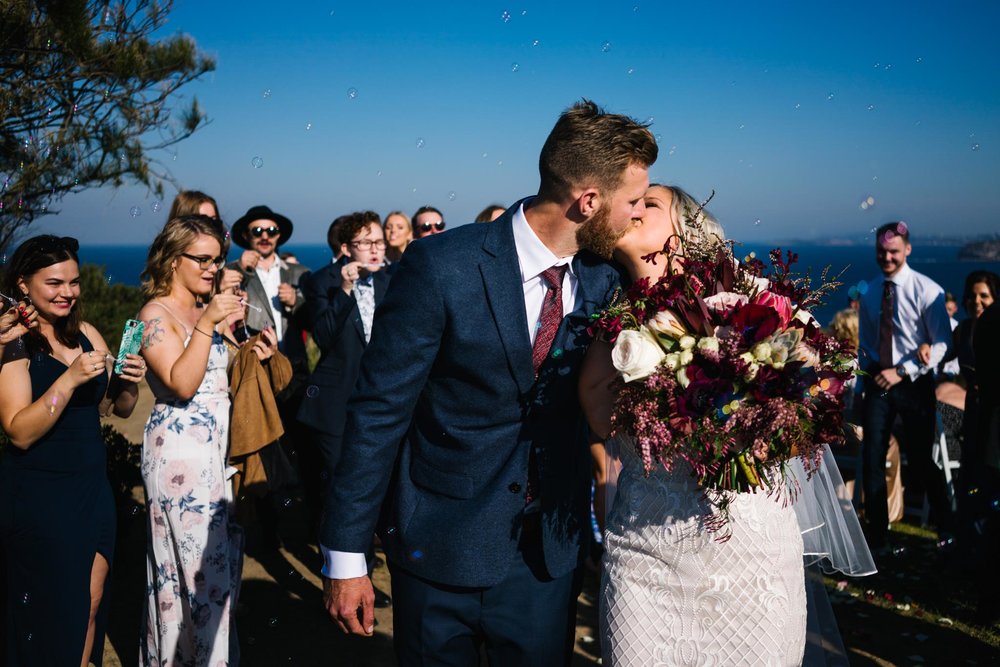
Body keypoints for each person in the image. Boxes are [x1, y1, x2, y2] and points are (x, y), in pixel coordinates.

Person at [322, 99, 655, 665]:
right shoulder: (440, 266)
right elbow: (379, 412)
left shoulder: (605, 279)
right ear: (589, 201)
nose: (638, 214)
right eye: (633, 201)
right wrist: (346, 555)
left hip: (545, 558)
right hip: (438, 545)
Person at [580, 185, 811, 665]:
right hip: (644, 555)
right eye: (631, 200)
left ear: (686, 230)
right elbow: (599, 417)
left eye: (651, 203)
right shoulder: (606, 315)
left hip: (748, 555)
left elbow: (800, 410)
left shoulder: (748, 300)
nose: (633, 208)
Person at [137, 215, 277, 665]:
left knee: (219, 574)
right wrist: (208, 324)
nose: (212, 269)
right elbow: (179, 383)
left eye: (217, 260)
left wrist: (253, 351)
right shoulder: (151, 313)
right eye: (202, 259)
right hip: (181, 459)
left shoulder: (207, 309)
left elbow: (222, 378)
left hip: (219, 456)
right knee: (192, 578)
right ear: (172, 259)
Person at [0, 235, 146, 666]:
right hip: (40, 496)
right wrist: (68, 380)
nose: (68, 292)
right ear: (23, 284)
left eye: (75, 282)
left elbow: (113, 409)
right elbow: (18, 432)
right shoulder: (14, 343)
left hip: (92, 489)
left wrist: (127, 381)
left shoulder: (85, 334)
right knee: (54, 614)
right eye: (55, 283)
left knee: (92, 604)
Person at [297, 211, 392, 605]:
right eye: (366, 243)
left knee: (376, 488)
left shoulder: (395, 277)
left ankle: (365, 575)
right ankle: (341, 577)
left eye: (379, 241)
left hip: (381, 403)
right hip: (334, 405)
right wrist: (344, 290)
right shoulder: (320, 281)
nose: (375, 249)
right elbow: (324, 335)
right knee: (338, 491)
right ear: (345, 248)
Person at [858, 221, 954, 552]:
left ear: (908, 250)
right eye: (881, 251)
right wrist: (863, 382)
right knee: (872, 457)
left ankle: (946, 527)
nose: (887, 257)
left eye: (894, 251)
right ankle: (877, 535)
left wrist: (904, 369)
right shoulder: (870, 291)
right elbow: (865, 344)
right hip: (878, 382)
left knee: (921, 458)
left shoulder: (927, 290)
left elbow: (943, 343)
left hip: (913, 383)